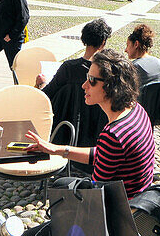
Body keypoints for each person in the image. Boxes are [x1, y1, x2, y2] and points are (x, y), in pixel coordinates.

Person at [27, 49, 156, 198]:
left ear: (111, 86)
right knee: (61, 184)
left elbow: (94, 194)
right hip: (138, 200)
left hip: (122, 210)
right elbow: (105, 154)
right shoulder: (136, 109)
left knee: (59, 189)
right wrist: (56, 149)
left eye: (92, 80)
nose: (84, 85)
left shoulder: (113, 134)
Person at [38, 18, 113, 151]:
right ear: (103, 43)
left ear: (84, 39)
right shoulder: (106, 73)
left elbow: (47, 94)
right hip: (93, 136)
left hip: (64, 132)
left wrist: (41, 84)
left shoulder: (68, 68)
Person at [125, 23, 160, 89]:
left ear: (136, 44)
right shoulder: (159, 62)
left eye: (128, 45)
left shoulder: (134, 67)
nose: (125, 50)